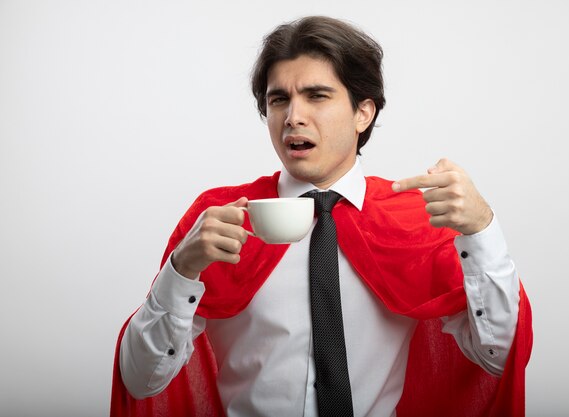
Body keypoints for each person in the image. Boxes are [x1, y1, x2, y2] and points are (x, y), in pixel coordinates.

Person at [111, 16, 532, 417]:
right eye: (279, 99)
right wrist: (181, 270)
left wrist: (481, 229)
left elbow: (498, 357)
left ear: (362, 113)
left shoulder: (415, 220)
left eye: (317, 95)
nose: (293, 116)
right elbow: (140, 379)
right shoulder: (221, 218)